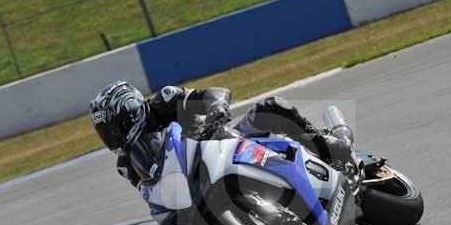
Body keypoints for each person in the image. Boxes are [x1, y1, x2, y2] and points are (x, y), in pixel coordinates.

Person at [89, 80, 354, 188]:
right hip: (200, 185)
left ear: (129, 113)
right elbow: (154, 196)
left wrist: (216, 108)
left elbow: (214, 93)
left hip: (225, 141)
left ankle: (327, 147)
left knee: (271, 108)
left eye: (110, 128)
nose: (110, 137)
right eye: (104, 132)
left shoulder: (163, 104)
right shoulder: (127, 163)